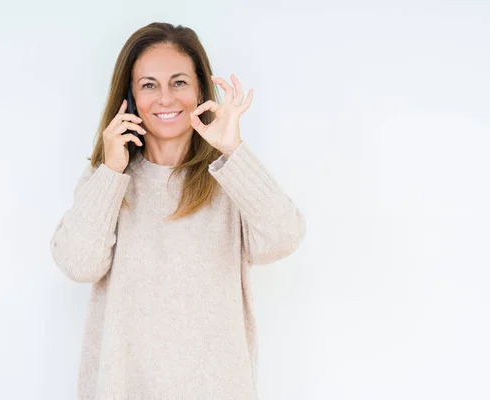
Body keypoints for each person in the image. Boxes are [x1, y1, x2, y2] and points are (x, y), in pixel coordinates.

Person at [49, 22, 306, 399]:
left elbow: (283, 238)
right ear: (131, 96)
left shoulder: (229, 176)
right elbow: (78, 265)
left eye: (179, 82)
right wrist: (111, 171)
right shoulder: (106, 180)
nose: (165, 98)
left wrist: (233, 152)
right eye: (149, 84)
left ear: (200, 89)